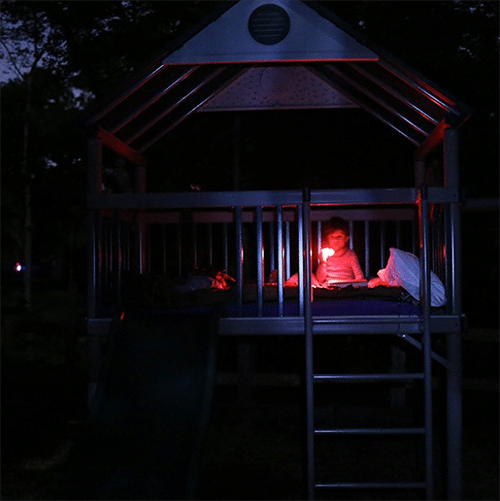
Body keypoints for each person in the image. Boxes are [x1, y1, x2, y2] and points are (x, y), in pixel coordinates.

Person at [315, 217, 365, 285]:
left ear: (346, 238)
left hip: (346, 288)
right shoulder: (325, 254)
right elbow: (320, 279)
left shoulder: (351, 255)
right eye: (332, 237)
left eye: (339, 236)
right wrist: (323, 262)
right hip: (330, 288)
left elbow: (359, 277)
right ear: (327, 238)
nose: (335, 240)